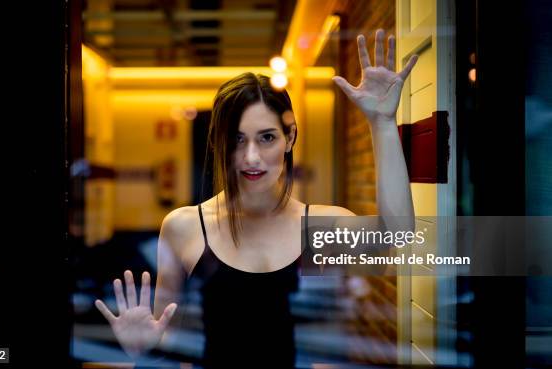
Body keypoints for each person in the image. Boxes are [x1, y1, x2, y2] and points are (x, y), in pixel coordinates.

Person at [94, 29, 417, 368]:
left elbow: (396, 234)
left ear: (289, 138)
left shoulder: (317, 224)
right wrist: (143, 347)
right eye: (237, 139)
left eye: (266, 138)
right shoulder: (184, 227)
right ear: (219, 142)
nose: (251, 157)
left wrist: (382, 123)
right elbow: (165, 335)